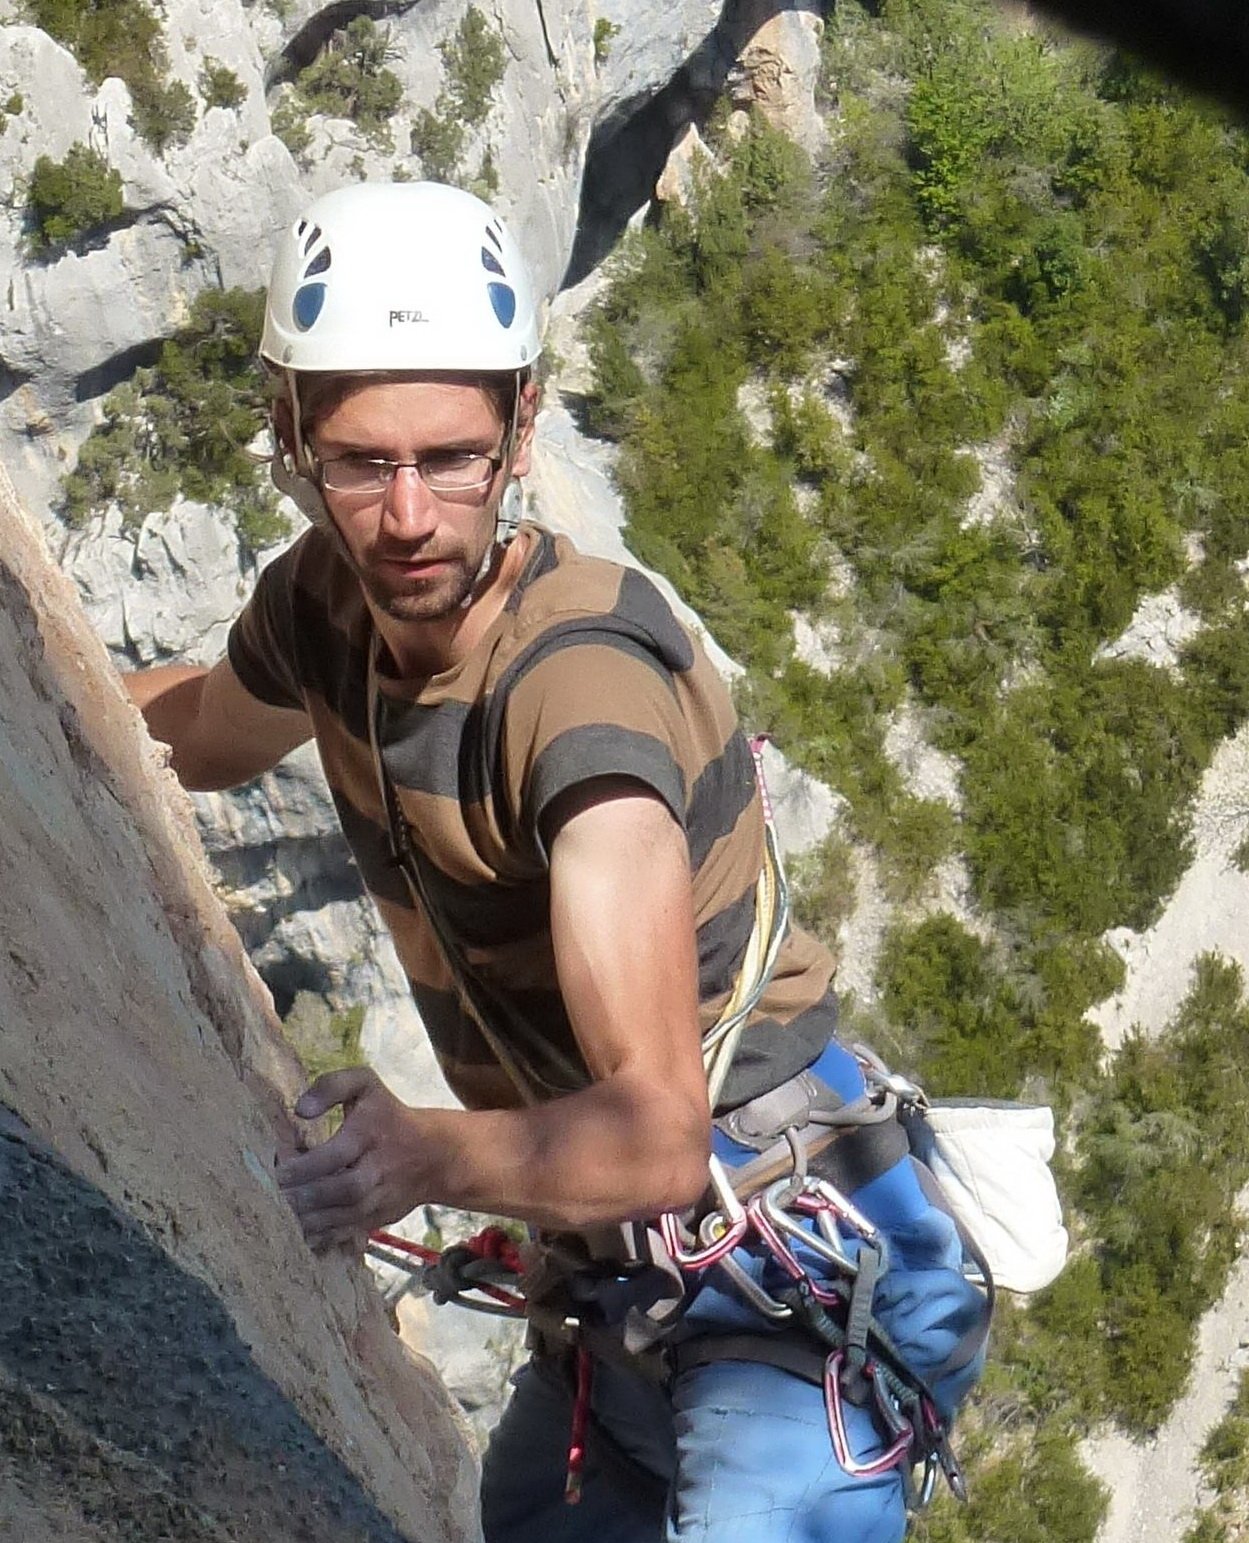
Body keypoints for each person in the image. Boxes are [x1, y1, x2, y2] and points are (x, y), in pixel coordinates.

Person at [125, 180, 989, 1543]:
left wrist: (419, 1155)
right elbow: (206, 733)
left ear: (522, 429)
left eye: (453, 456)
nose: (410, 516)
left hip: (777, 1255)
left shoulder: (580, 699)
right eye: (362, 462)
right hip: (611, 1275)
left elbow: (653, 1136)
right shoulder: (318, 604)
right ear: (292, 439)